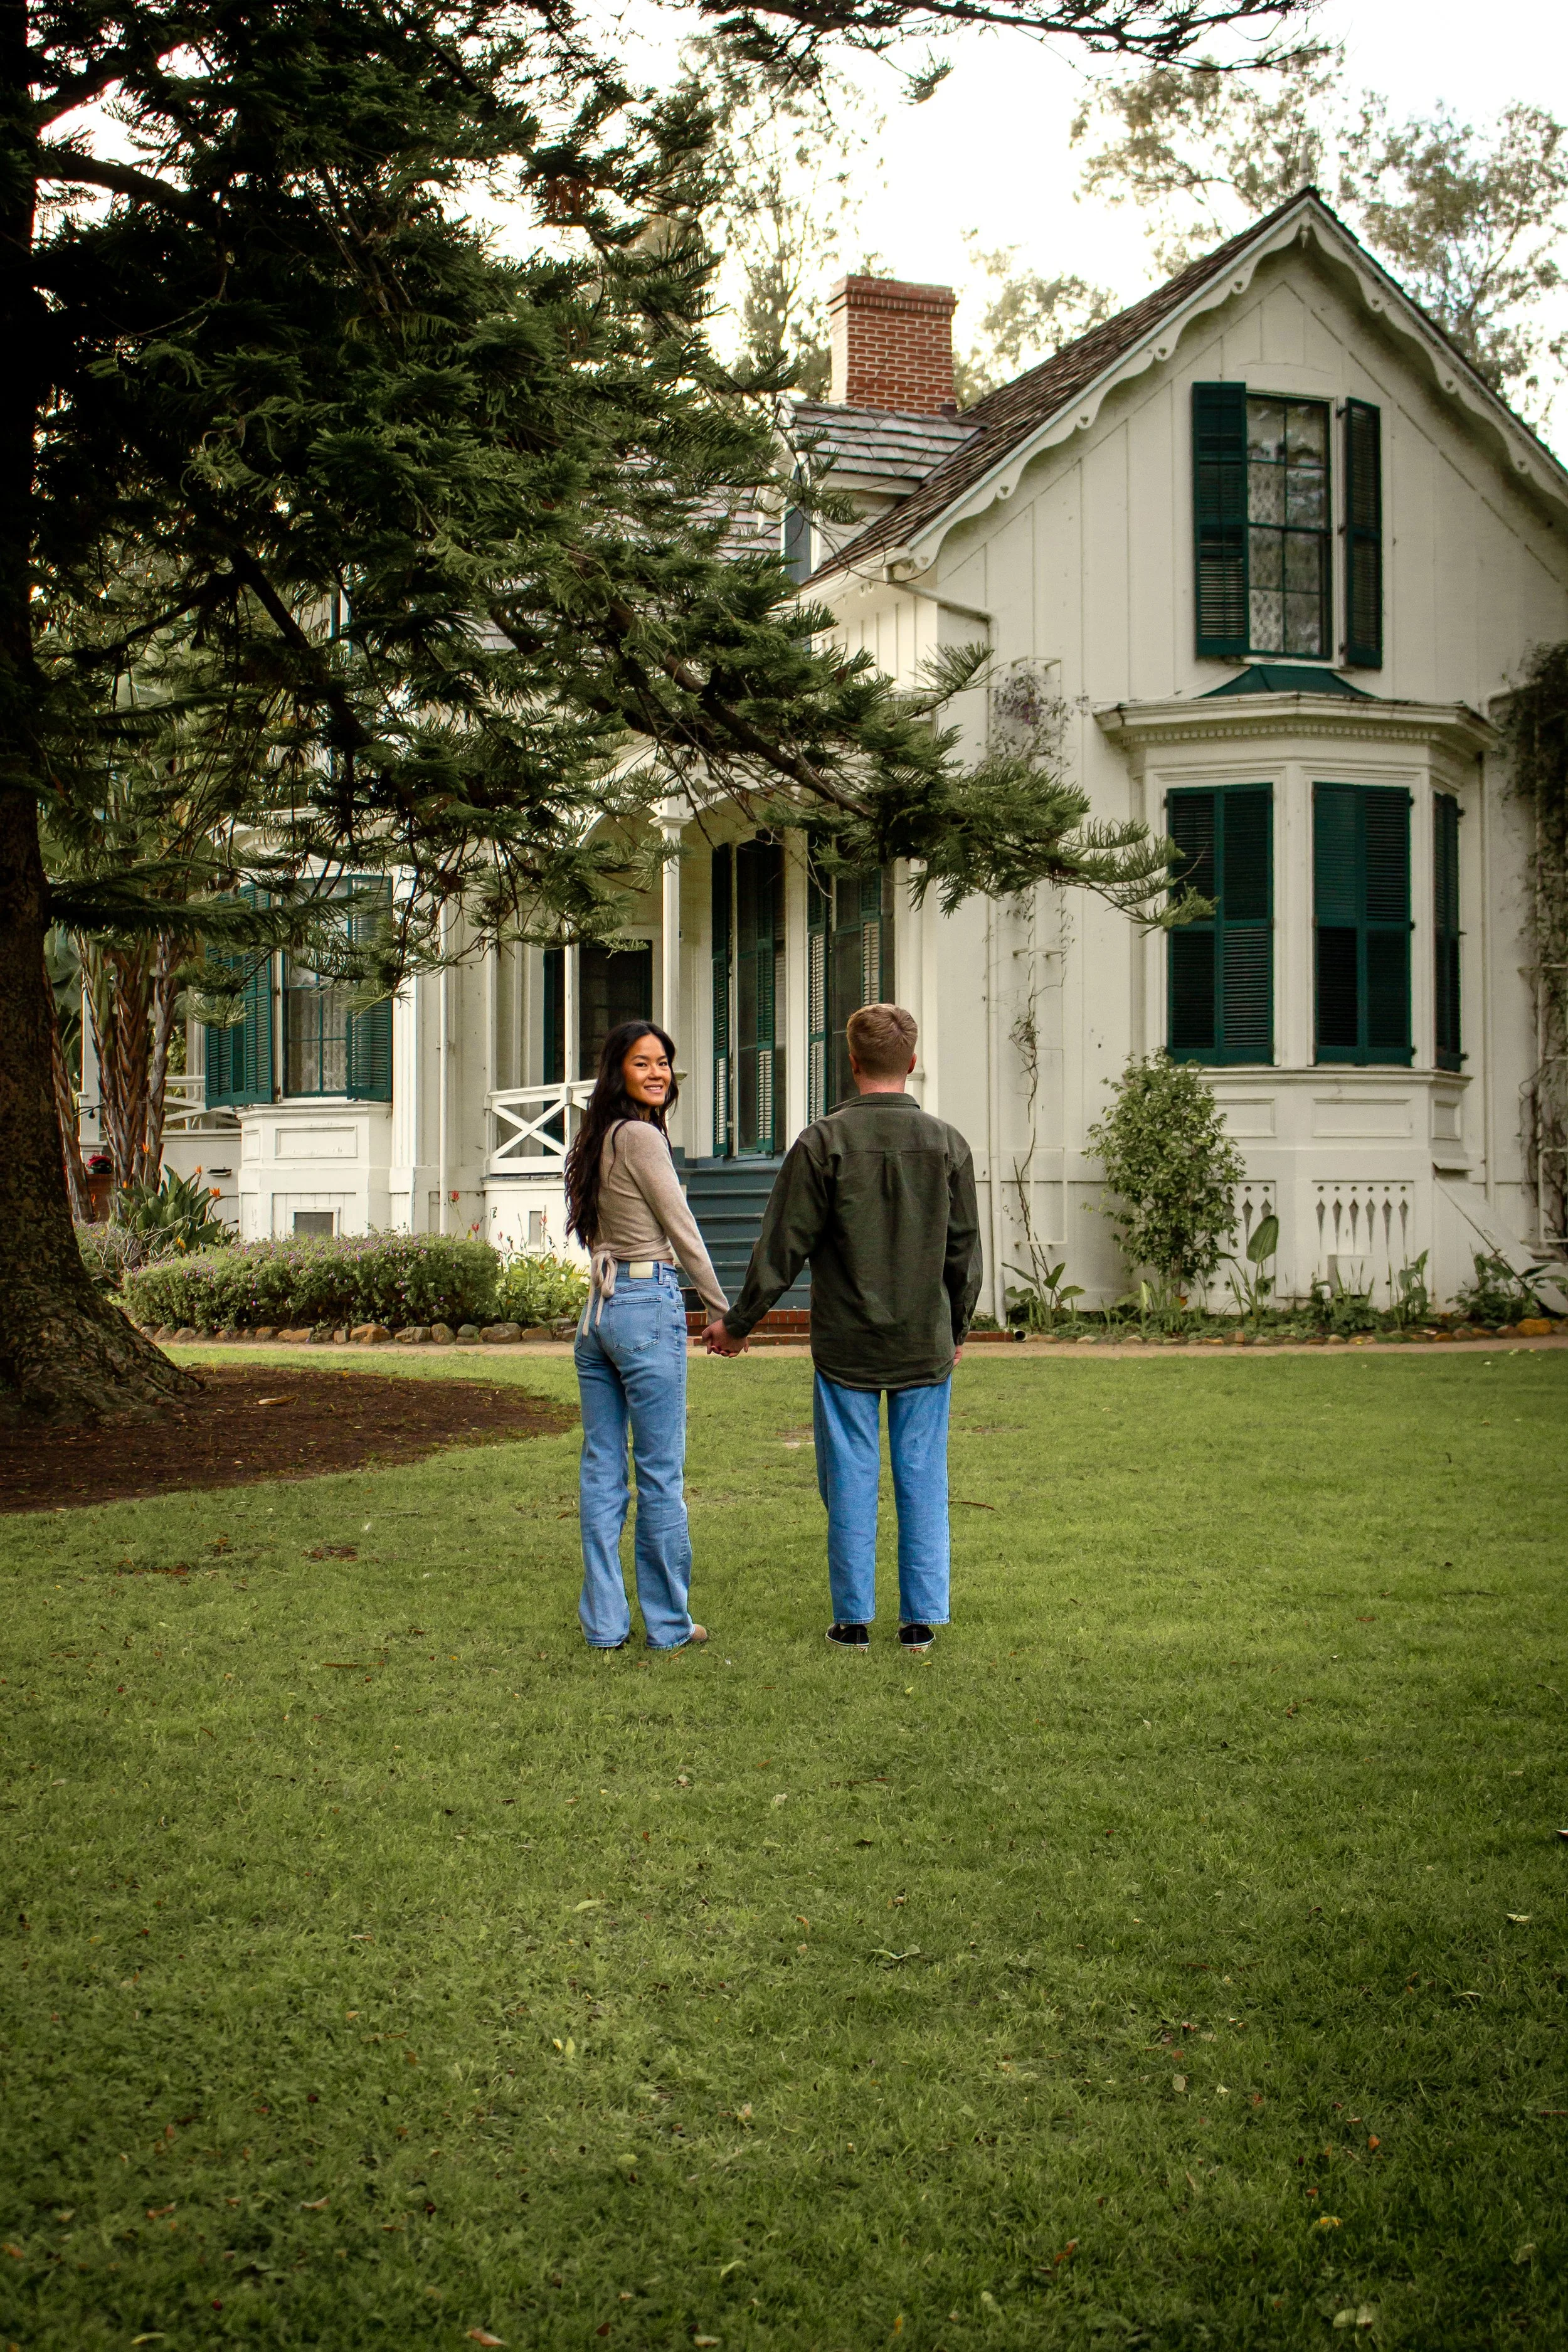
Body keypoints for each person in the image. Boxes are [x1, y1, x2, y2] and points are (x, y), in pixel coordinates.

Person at [706, 1003, 982, 1652]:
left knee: (851, 1477)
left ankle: (852, 1621)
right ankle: (919, 1622)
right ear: (911, 1064)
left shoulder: (821, 1142)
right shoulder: (948, 1144)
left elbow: (782, 1245)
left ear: (851, 1064)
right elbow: (964, 1252)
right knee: (922, 1474)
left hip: (844, 1345)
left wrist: (739, 1323)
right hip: (924, 1340)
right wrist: (958, 1329)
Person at [564, 1020, 729, 1652]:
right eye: (643, 1063)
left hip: (597, 1316)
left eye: (664, 1061)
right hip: (642, 1303)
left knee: (602, 1470)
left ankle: (605, 1626)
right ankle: (666, 1624)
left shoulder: (598, 1136)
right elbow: (680, 1227)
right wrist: (719, 1309)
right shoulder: (641, 1136)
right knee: (660, 1472)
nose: (658, 1072)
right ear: (618, 1072)